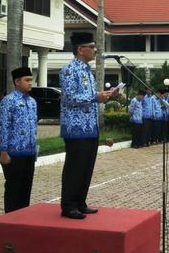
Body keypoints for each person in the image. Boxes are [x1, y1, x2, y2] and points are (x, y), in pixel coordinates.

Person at [59, 33, 115, 219]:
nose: (95, 50)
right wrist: (95, 97)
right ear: (80, 49)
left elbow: (89, 97)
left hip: (90, 127)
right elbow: (69, 98)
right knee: (75, 167)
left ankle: (80, 202)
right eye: (92, 46)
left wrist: (102, 95)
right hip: (76, 128)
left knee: (86, 167)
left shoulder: (87, 71)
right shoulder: (69, 70)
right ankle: (68, 205)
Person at [0, 67, 37, 213]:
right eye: (27, 80)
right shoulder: (9, 101)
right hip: (13, 153)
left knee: (26, 189)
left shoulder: (33, 102)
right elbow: (3, 126)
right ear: (17, 82)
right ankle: (10, 221)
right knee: (13, 189)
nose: (30, 83)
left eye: (31, 80)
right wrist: (3, 151)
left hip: (29, 153)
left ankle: (22, 219)